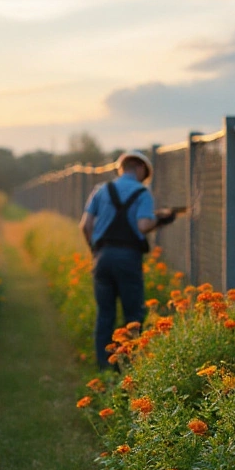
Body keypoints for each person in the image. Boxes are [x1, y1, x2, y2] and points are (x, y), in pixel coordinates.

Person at [79, 151, 177, 369]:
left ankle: (104, 368)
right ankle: (128, 367)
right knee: (133, 315)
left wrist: (95, 251)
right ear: (141, 169)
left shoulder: (100, 190)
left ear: (121, 168)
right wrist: (161, 219)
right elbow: (143, 225)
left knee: (105, 314)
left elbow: (85, 226)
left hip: (102, 257)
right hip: (128, 258)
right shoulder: (142, 192)